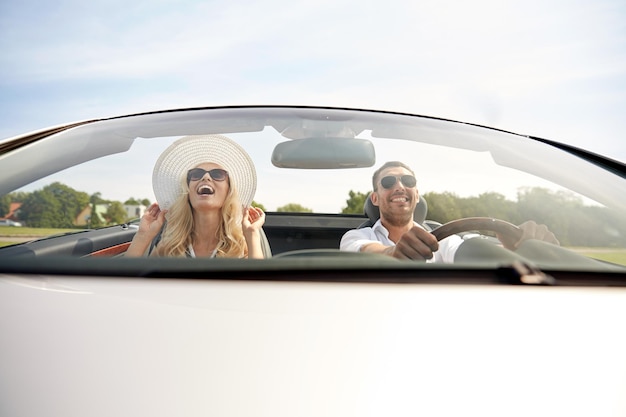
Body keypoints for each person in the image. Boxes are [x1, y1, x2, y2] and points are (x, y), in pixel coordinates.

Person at [340, 161, 559, 262]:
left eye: (407, 180)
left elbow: (468, 254)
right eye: (388, 182)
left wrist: (518, 250)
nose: (399, 187)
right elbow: (367, 252)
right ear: (375, 198)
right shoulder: (357, 236)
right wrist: (393, 253)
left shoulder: (444, 240)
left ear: (416, 194)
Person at [125, 134, 266, 259]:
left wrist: (252, 234)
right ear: (188, 190)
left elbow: (260, 286)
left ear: (229, 191)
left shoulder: (240, 245)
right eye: (196, 174)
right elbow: (127, 284)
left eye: (217, 174)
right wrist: (143, 236)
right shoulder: (170, 245)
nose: (205, 177)